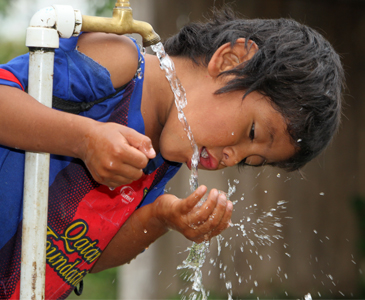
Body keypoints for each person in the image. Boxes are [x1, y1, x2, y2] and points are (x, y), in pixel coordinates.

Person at [0, 6, 344, 300]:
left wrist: (160, 218)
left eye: (249, 161)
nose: (232, 158)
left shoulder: (162, 162)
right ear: (229, 61)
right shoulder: (119, 66)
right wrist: (82, 139)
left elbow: (85, 258)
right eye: (252, 133)